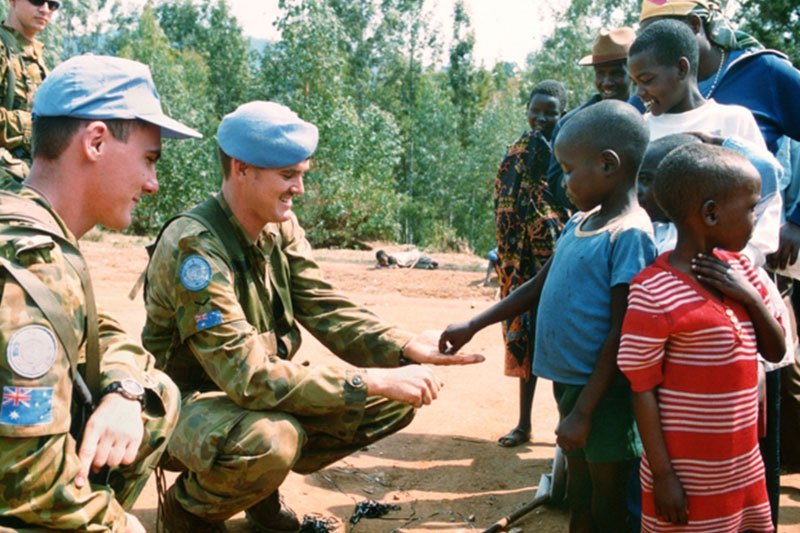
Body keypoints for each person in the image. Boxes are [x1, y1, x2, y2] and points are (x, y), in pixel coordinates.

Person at [141, 101, 484, 532]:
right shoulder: (195, 247)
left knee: (392, 400)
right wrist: (370, 379)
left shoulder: (277, 225)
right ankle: (188, 512)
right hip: (181, 405)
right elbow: (250, 377)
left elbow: (323, 305)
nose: (299, 189)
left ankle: (258, 492)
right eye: (288, 175)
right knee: (272, 438)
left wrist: (403, 345)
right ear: (241, 169)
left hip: (244, 395)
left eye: (302, 174)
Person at [0, 54, 201, 531]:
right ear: (95, 141)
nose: (152, 184)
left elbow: (98, 328)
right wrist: (122, 525)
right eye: (149, 160)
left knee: (152, 393)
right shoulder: (34, 267)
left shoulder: (26, 225)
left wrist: (124, 390)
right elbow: (29, 485)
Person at [441, 100, 656, 532]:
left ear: (608, 164)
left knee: (608, 502)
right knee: (580, 495)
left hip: (602, 396)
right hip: (572, 386)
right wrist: (475, 324)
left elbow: (621, 332)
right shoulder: (579, 222)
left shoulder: (630, 234)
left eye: (569, 170)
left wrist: (585, 412)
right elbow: (539, 285)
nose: (562, 182)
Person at [618, 142, 785, 532]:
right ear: (710, 213)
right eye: (750, 208)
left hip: (741, 468)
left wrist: (749, 296)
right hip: (685, 477)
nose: (756, 218)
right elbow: (642, 389)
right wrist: (663, 476)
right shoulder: (652, 291)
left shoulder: (743, 272)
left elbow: (775, 350)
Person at [635, 0, 800, 279]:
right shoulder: (647, 105)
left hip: (741, 263)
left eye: (662, 33)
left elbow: (765, 190)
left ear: (695, 25)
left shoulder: (763, 72)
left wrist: (797, 221)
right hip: (663, 271)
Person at [492, 79, 568, 448]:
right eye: (535, 110)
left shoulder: (568, 151)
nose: (540, 118)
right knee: (527, 337)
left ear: (562, 114)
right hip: (520, 263)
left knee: (561, 338)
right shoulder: (518, 152)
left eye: (549, 113)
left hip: (557, 255)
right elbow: (502, 198)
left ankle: (566, 424)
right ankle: (524, 424)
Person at [628, 19, 766, 150]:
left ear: (681, 69)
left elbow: (762, 166)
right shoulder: (639, 132)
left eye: (647, 80)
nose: (639, 92)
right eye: (635, 83)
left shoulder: (735, 120)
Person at [545, 26, 637, 209]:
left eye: (616, 73)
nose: (607, 82)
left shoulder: (650, 114)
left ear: (633, 73)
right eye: (600, 73)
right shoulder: (571, 124)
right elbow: (556, 184)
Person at [0, 0, 56, 179]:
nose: (45, 9)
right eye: (37, 1)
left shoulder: (35, 54)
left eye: (52, 4)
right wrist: (34, 127)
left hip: (32, 170)